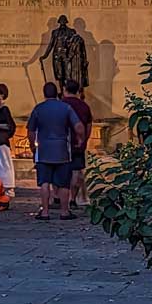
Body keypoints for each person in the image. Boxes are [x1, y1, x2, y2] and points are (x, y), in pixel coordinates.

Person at [26, 82, 82, 221]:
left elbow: (31, 131)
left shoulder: (38, 109)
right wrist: (80, 139)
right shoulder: (66, 108)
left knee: (44, 182)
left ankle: (45, 211)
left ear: (44, 93)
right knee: (63, 183)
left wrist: (33, 146)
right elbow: (79, 126)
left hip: (44, 150)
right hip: (62, 150)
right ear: (57, 92)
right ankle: (64, 211)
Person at [61, 78, 93, 209]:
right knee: (76, 171)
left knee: (61, 171)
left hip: (63, 143)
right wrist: (85, 139)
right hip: (78, 144)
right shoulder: (84, 106)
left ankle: (61, 197)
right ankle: (73, 199)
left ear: (65, 89)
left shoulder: (62, 104)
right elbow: (89, 125)